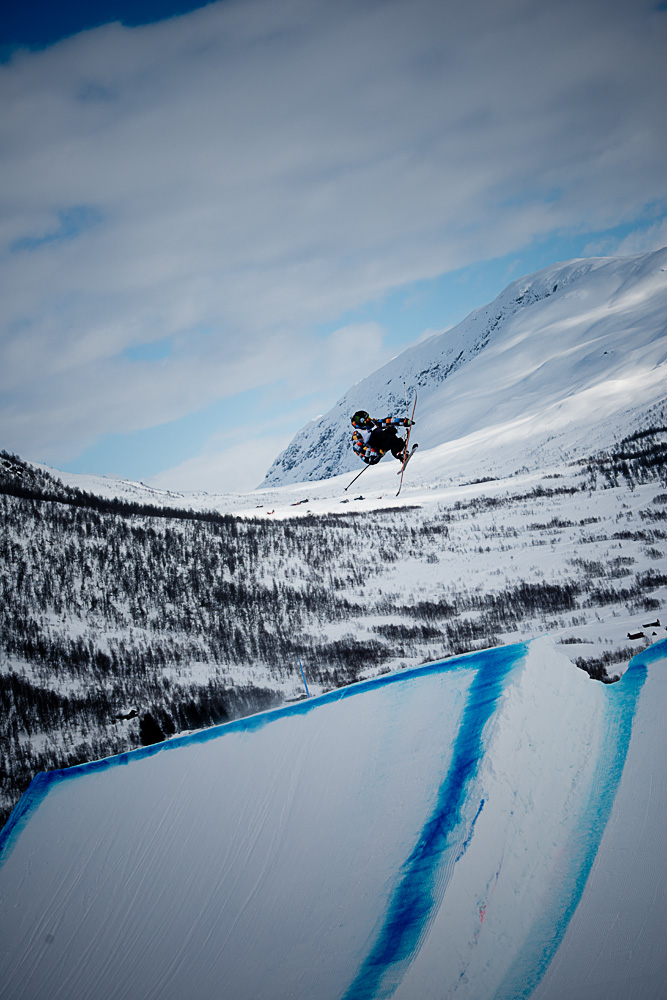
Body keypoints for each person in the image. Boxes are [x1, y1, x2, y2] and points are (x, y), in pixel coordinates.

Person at [350, 409, 415, 466]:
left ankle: (399, 452)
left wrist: (404, 422)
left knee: (390, 430)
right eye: (366, 420)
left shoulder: (372, 423)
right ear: (361, 424)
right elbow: (361, 450)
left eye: (369, 418)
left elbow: (386, 421)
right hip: (371, 456)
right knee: (380, 435)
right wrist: (376, 452)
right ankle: (399, 449)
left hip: (379, 446)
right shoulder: (357, 435)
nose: (369, 420)